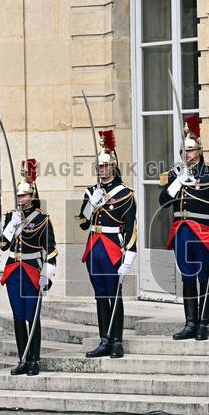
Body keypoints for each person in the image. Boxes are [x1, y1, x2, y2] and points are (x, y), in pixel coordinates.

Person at [159, 116, 209, 340]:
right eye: (185, 151)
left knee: (205, 278)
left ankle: (203, 324)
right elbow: (163, 201)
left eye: (191, 151)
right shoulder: (174, 174)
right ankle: (190, 323)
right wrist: (177, 181)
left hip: (203, 233)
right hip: (181, 231)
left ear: (199, 151)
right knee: (187, 277)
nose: (187, 155)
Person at [78, 130, 137, 359]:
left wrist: (129, 256)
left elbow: (131, 227)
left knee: (115, 295)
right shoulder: (91, 192)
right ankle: (104, 339)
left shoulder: (125, 194)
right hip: (94, 248)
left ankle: (117, 340)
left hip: (113, 247)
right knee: (101, 295)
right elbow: (83, 223)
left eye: (105, 166)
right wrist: (89, 206)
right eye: (99, 167)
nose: (102, 170)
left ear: (113, 167)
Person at [0, 159, 57, 376]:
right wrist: (11, 226)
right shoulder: (10, 216)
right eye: (18, 195)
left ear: (32, 195)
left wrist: (47, 273)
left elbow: (50, 248)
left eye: (24, 195)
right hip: (14, 268)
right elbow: (3, 246)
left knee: (33, 316)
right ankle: (22, 358)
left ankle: (34, 359)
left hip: (33, 269)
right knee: (18, 316)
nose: (20, 199)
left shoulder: (42, 219)